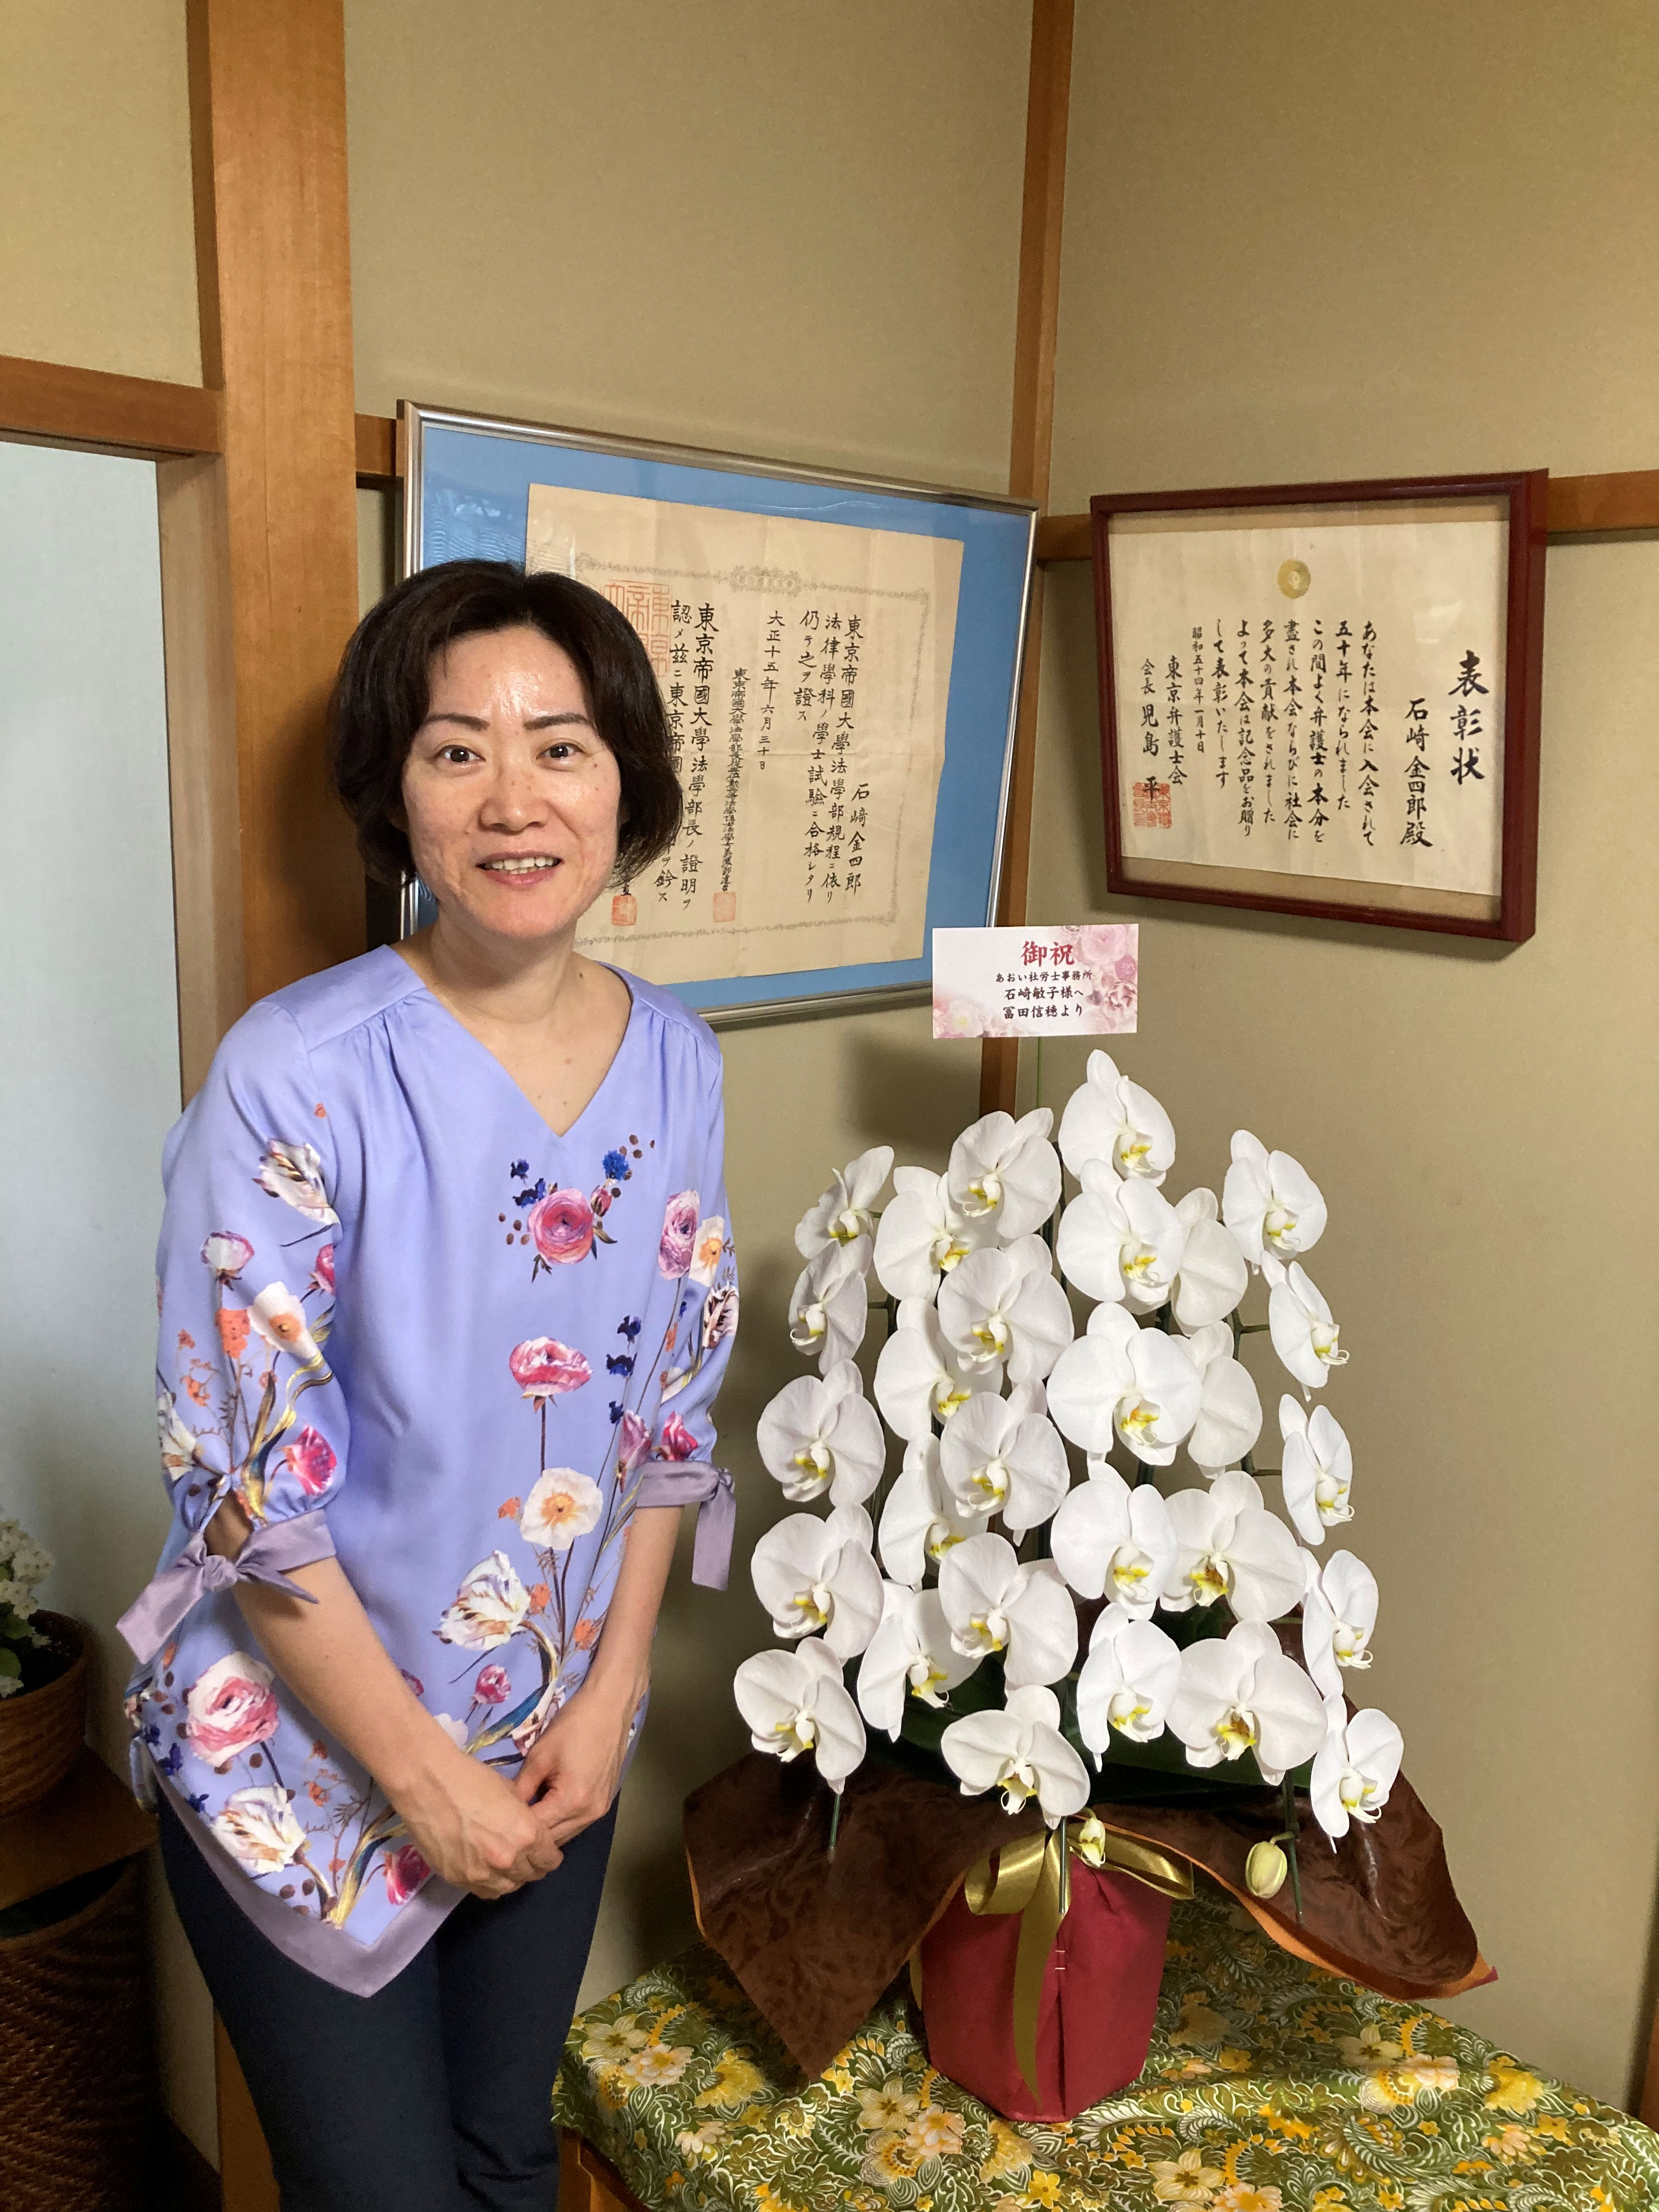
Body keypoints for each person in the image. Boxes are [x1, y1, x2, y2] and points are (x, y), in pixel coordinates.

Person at [120, 561, 738, 2211]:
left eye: (562, 747)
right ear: (397, 794)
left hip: (551, 1735)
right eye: (458, 750)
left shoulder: (680, 1063)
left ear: (625, 785)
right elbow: (243, 1488)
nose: (514, 799)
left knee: (506, 2155)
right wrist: (419, 1780)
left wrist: (610, 1701)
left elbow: (669, 1420)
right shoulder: (295, 1073)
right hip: (309, 1756)